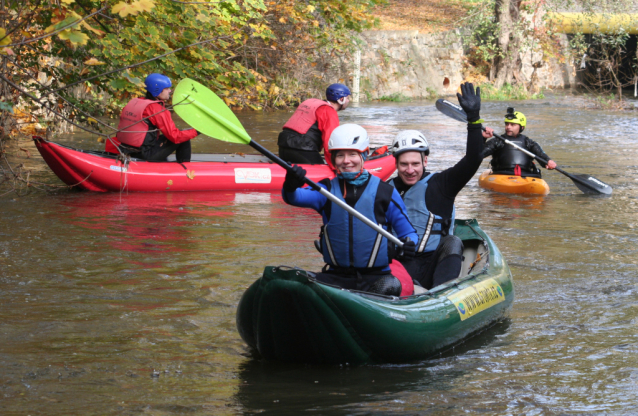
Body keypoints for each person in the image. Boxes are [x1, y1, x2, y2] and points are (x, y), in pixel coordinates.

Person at [282, 123, 418, 297]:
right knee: (294, 282)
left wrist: (409, 245)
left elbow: (409, 233)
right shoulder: (326, 189)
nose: (346, 161)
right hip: (336, 277)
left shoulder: (385, 192)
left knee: (391, 285)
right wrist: (290, 184)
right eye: (340, 155)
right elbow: (294, 197)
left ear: (364, 155)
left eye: (352, 154)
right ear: (333, 159)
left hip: (376, 278)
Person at [388, 82, 485, 290]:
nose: (410, 170)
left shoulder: (442, 184)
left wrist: (474, 119)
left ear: (425, 161)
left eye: (415, 163)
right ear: (395, 164)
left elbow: (473, 159)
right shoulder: (384, 189)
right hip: (399, 266)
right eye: (404, 164)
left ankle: (442, 294)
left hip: (434, 265)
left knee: (452, 241)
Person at [115, 73, 199, 163]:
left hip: (124, 150)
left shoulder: (135, 102)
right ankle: (184, 170)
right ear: (157, 90)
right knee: (184, 139)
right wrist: (197, 131)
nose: (170, 91)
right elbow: (175, 137)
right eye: (166, 89)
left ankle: (164, 163)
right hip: (145, 155)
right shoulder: (157, 110)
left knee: (173, 136)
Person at [277, 83, 351, 169]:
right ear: (341, 99)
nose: (348, 101)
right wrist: (335, 167)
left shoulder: (310, 102)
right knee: (323, 176)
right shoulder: (329, 111)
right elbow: (330, 142)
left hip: (283, 144)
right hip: (302, 148)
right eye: (348, 98)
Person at [482, 108, 556, 177]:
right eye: (507, 124)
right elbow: (478, 155)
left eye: (512, 125)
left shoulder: (528, 142)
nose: (508, 127)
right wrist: (483, 138)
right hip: (502, 175)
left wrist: (548, 162)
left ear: (522, 127)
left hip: (526, 176)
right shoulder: (498, 141)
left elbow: (541, 155)